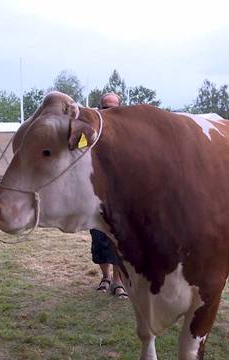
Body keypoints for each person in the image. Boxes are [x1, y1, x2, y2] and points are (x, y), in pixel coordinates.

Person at [90, 93, 128, 299]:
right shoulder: (91, 134)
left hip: (120, 198)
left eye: (114, 108)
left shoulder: (126, 136)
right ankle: (104, 277)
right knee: (99, 239)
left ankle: (118, 281)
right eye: (106, 108)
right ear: (100, 108)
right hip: (96, 196)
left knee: (120, 241)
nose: (109, 112)